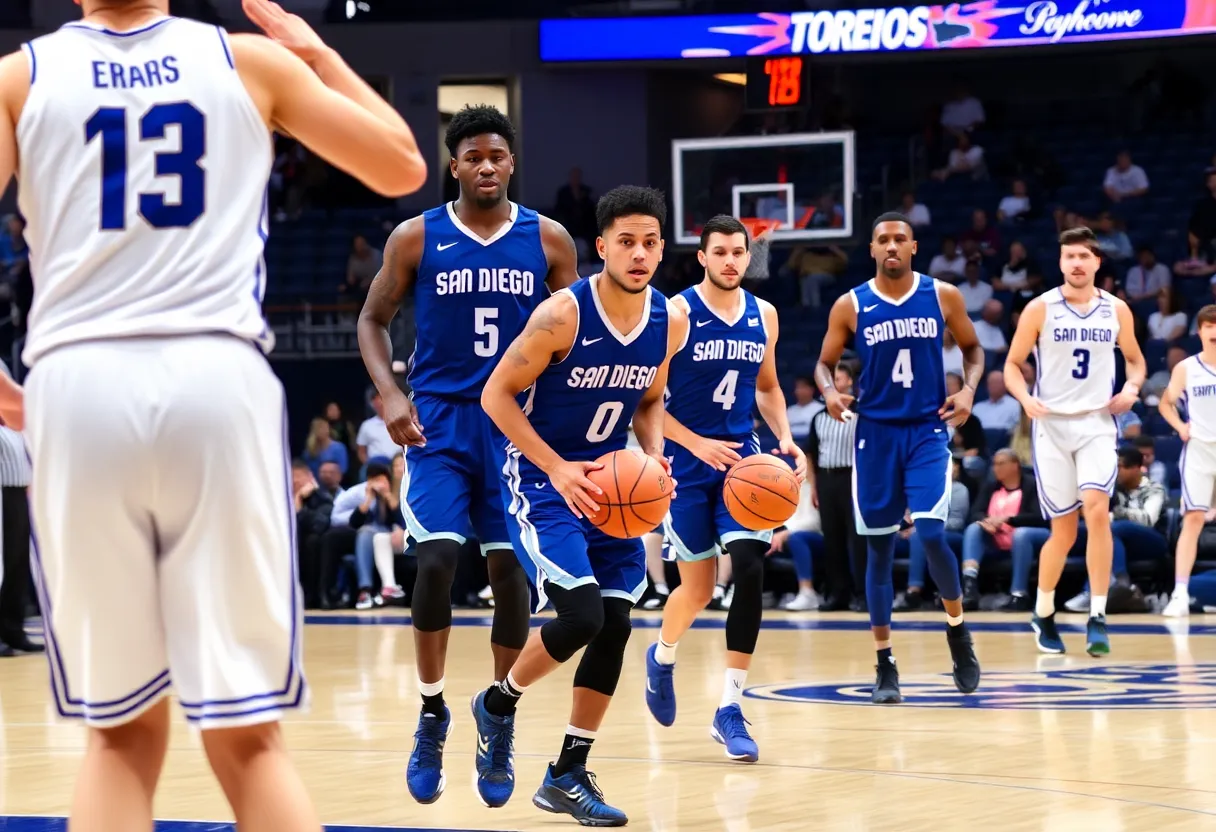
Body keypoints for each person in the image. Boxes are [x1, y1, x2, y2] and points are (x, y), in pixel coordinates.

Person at [0, 0, 427, 828]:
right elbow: (402, 165)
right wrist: (316, 55)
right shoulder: (245, 61)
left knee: (118, 735)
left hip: (77, 384)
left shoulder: (21, 77)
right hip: (214, 377)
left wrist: (0, 389)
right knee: (249, 737)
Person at [356, 103, 580, 803]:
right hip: (440, 425)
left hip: (514, 426)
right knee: (436, 561)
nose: (486, 166)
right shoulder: (416, 236)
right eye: (473, 157)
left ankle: (498, 717)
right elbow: (372, 319)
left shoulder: (549, 239)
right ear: (454, 165)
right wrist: (391, 394)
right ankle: (431, 712)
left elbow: (575, 336)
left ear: (513, 163)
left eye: (497, 156)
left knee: (510, 575)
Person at [475, 186, 686, 826]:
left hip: (612, 486)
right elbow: (495, 396)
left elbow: (650, 400)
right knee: (583, 616)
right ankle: (497, 703)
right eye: (626, 242)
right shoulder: (561, 315)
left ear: (662, 249)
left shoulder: (668, 321)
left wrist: (654, 457)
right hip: (543, 481)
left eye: (650, 242)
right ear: (601, 247)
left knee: (615, 623)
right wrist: (557, 468)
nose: (639, 254)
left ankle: (567, 773)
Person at [642, 215, 806, 761]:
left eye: (739, 252)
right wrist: (696, 444)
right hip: (687, 467)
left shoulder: (765, 315)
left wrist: (785, 437)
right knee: (697, 590)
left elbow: (769, 387)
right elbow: (649, 401)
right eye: (721, 252)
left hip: (745, 467)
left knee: (751, 566)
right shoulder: (676, 314)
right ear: (702, 258)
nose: (732, 260)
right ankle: (662, 656)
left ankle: (730, 707)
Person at [815, 212, 984, 704]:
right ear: (872, 249)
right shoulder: (851, 304)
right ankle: (884, 661)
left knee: (930, 533)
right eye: (883, 240)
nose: (891, 246)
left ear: (913, 247)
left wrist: (969, 390)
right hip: (875, 435)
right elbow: (824, 364)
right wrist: (829, 392)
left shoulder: (942, 295)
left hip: (927, 430)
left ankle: (957, 630)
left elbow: (973, 351)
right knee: (880, 550)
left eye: (899, 239)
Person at [1003, 226, 1146, 656]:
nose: (1077, 263)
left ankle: (1097, 616)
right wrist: (1025, 398)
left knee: (1097, 511)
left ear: (1097, 262)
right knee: (1063, 533)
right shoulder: (1040, 308)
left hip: (1097, 423)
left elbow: (1135, 361)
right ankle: (1043, 610)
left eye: (1084, 256)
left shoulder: (1116, 309)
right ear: (1061, 262)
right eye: (1070, 256)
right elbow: (1012, 365)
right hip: (1051, 427)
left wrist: (1132, 389)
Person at [1157, 304, 1216, 617]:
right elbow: (1166, 403)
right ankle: (1180, 593)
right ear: (1200, 331)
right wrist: (1180, 426)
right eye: (1210, 326)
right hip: (1199, 449)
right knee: (1192, 519)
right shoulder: (1187, 368)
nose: (1214, 332)